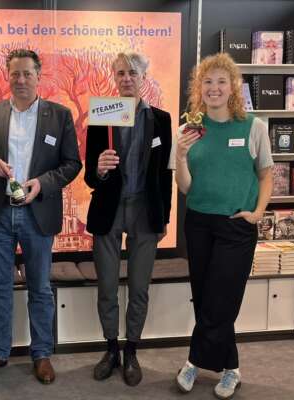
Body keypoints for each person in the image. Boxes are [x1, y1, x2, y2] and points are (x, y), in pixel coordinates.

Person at [0, 49, 81, 384]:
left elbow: (71, 164)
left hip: (38, 213)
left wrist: (42, 183)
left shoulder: (59, 115)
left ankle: (42, 354)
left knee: (40, 287)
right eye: (15, 74)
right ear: (8, 76)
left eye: (27, 74)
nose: (21, 80)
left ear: (39, 76)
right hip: (0, 214)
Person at [172, 53, 273, 399]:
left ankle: (193, 361)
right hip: (198, 222)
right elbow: (184, 187)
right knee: (205, 297)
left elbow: (266, 174)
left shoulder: (254, 127)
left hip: (236, 225)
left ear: (233, 87)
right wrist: (181, 156)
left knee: (222, 299)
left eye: (221, 81)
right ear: (198, 88)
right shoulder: (188, 130)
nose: (214, 88)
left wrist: (258, 212)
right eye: (207, 81)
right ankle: (231, 368)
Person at [84, 52, 173, 386]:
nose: (126, 78)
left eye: (132, 73)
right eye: (120, 73)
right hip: (109, 210)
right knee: (107, 286)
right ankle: (111, 350)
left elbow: (165, 175)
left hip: (145, 211)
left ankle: (132, 350)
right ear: (114, 76)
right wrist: (99, 169)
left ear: (143, 78)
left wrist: (163, 216)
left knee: (139, 288)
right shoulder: (103, 114)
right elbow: (90, 177)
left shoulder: (161, 120)